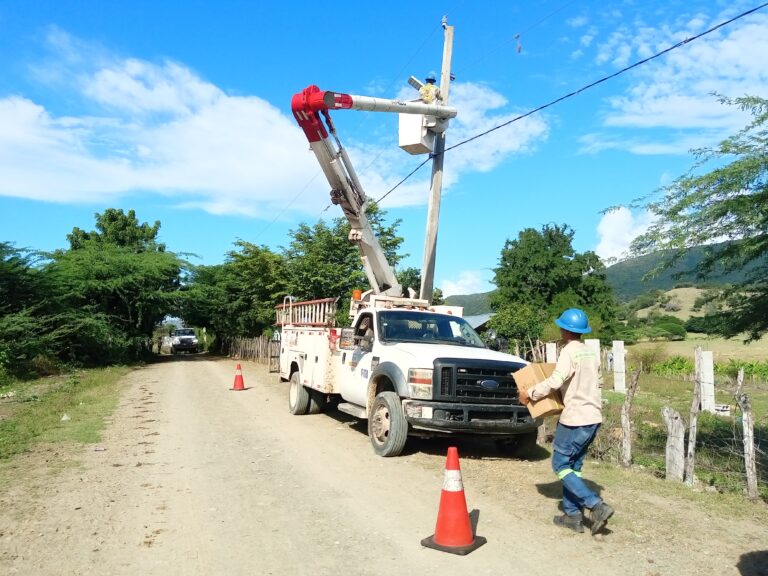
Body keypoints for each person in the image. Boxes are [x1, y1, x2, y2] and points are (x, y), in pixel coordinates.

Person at [518, 308, 614, 535]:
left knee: (560, 465)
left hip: (575, 419)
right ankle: (572, 515)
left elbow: (556, 380)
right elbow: (596, 381)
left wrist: (530, 393)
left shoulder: (569, 352)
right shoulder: (590, 353)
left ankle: (595, 505)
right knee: (575, 467)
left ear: (565, 330)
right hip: (593, 418)